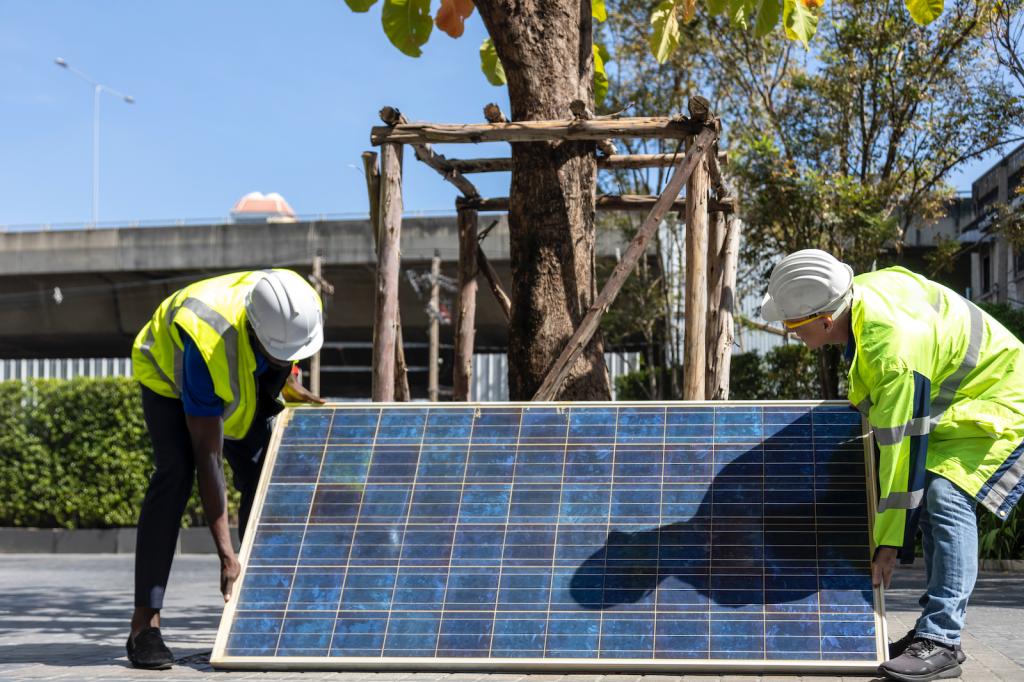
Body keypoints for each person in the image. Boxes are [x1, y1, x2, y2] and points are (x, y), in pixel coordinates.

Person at [760, 249, 1024, 682]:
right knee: (934, 498)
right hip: (962, 401)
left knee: (943, 498)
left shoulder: (892, 353)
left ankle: (941, 640)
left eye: (792, 325)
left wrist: (888, 546)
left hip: (1001, 401)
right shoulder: (859, 298)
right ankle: (931, 631)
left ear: (826, 321)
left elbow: (902, 457)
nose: (789, 333)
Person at [126, 269, 326, 670]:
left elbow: (280, 361)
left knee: (261, 472)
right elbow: (209, 457)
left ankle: (259, 613)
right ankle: (144, 626)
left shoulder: (297, 304)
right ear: (256, 335)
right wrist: (226, 555)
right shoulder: (206, 346)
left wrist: (289, 382)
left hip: (240, 366)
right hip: (168, 375)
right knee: (176, 475)